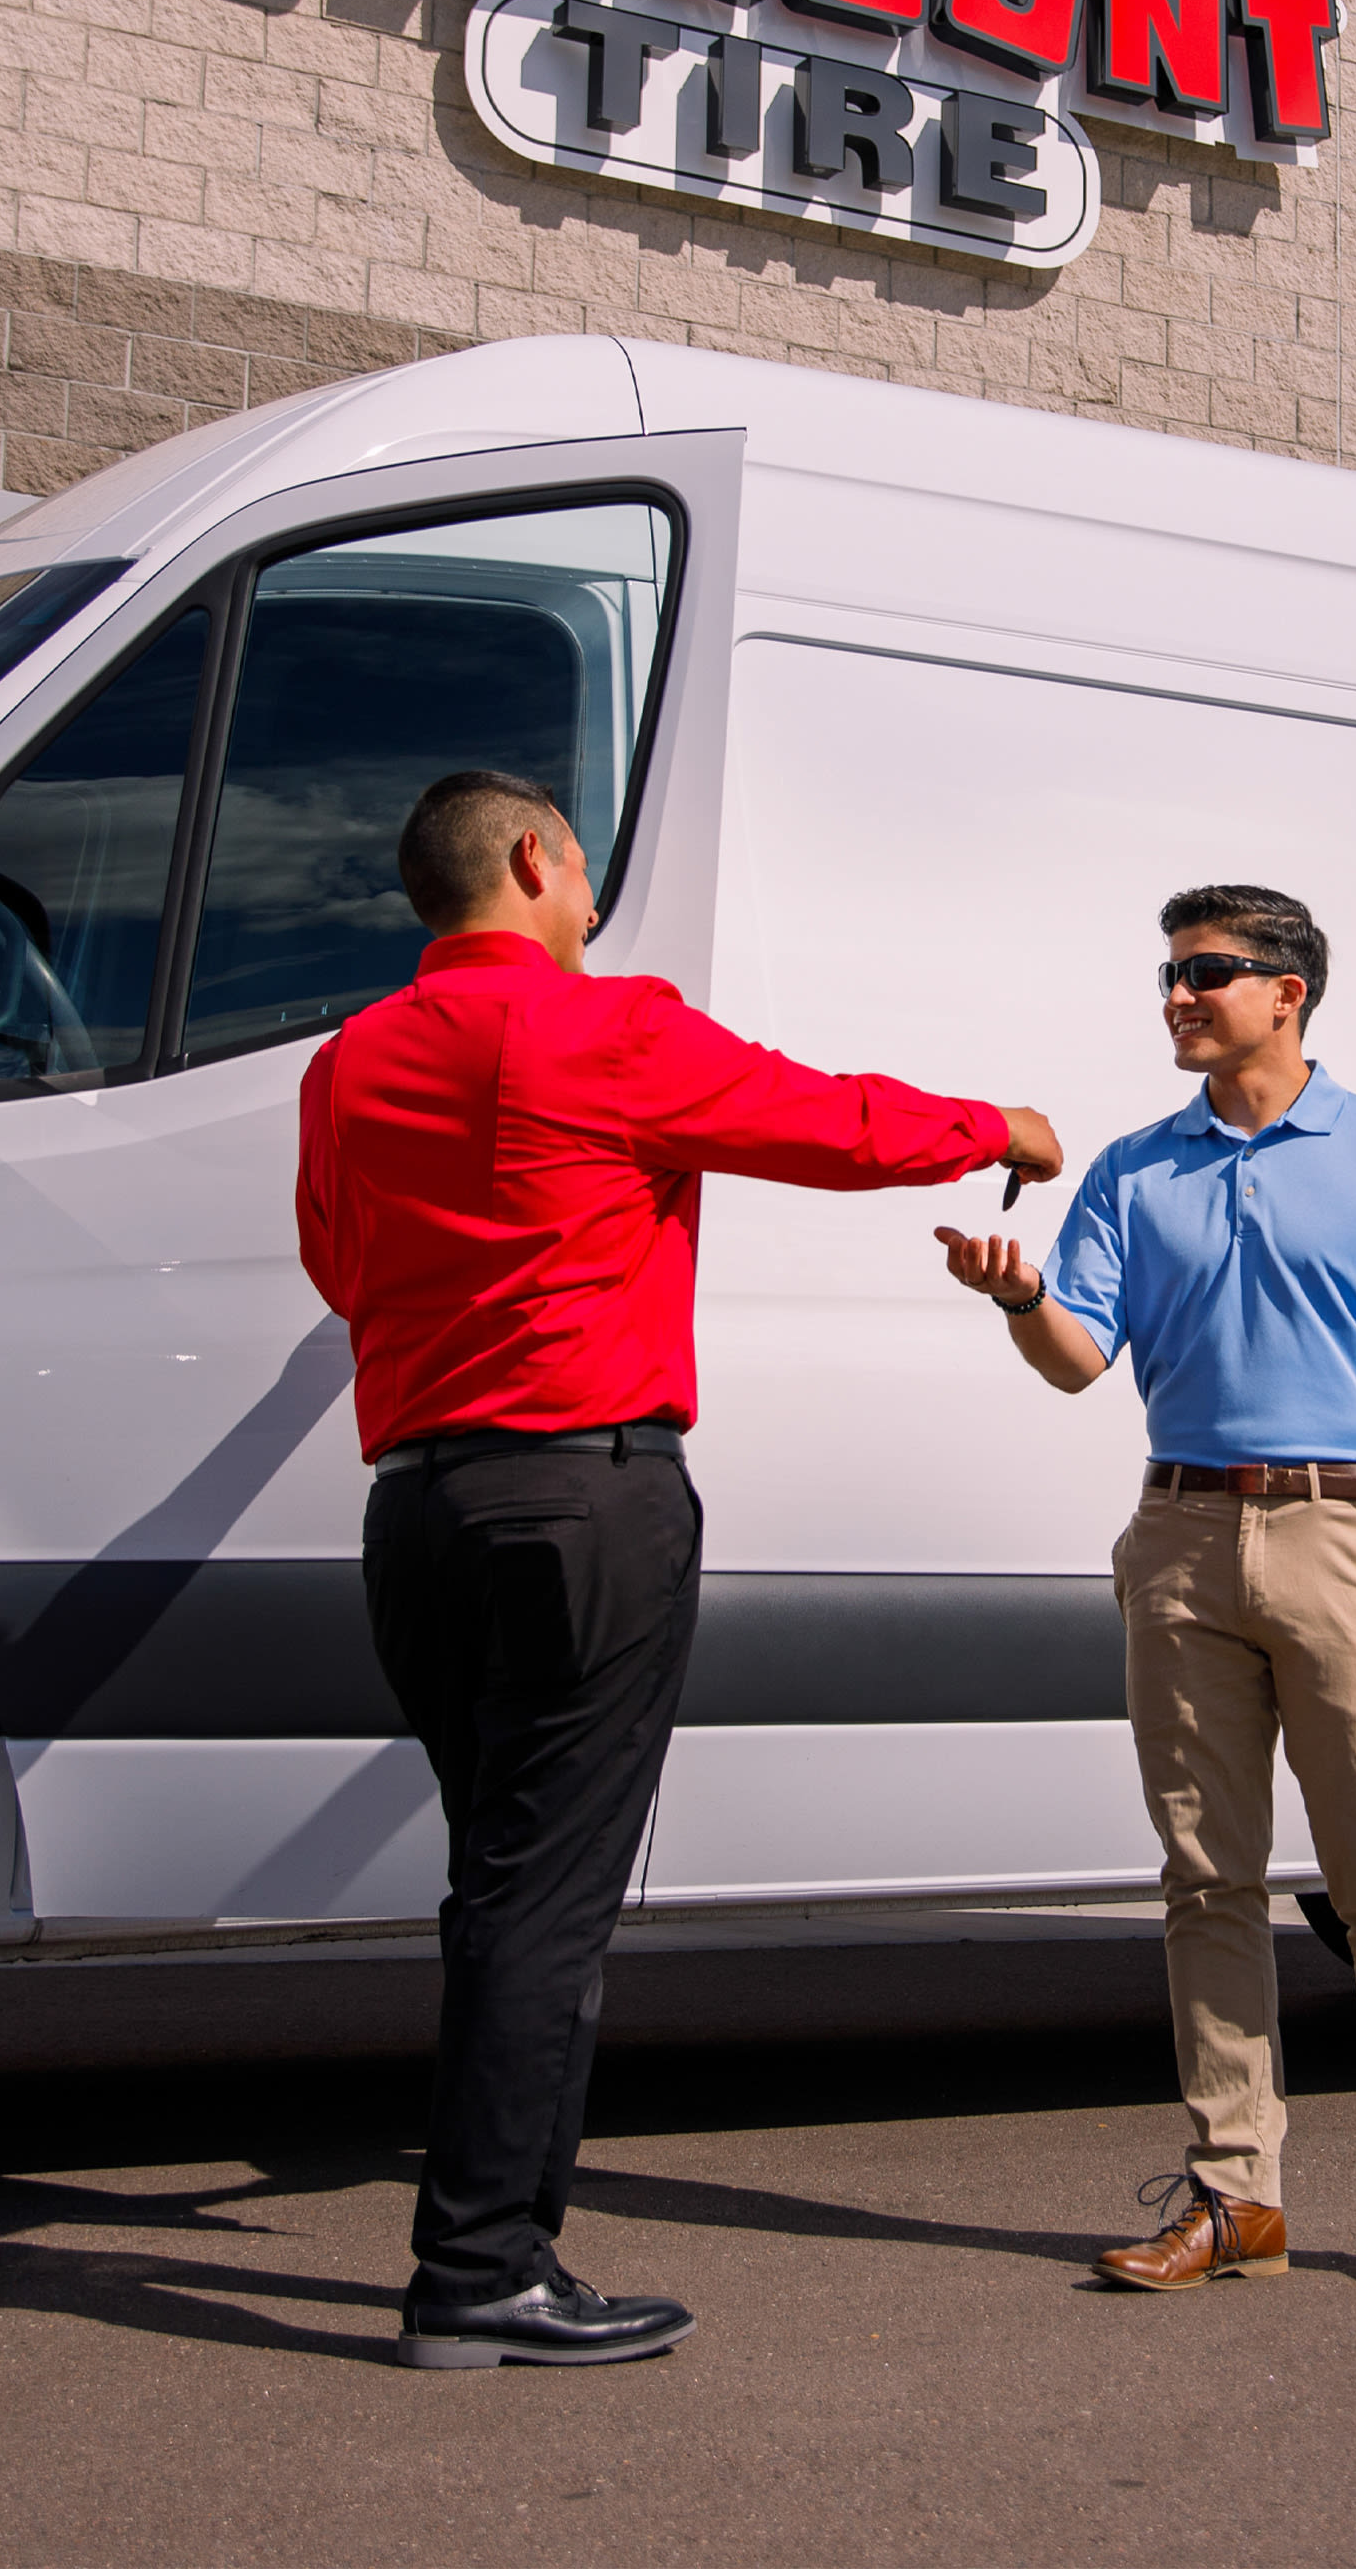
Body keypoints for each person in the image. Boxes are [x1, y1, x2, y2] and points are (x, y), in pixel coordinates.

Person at [298, 768, 1061, 2370]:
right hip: (584, 1500)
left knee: (501, 1881)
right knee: (543, 1897)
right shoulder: (608, 1026)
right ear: (531, 859)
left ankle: (510, 2238)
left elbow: (338, 1265)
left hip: (416, 1514)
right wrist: (999, 1127)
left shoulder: (348, 1061)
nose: (592, 895)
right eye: (581, 866)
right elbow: (827, 1122)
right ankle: (479, 2273)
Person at [935, 883, 1356, 2298]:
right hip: (1180, 1536)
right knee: (1206, 1883)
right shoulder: (1136, 1170)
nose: (1178, 995)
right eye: (1172, 975)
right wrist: (1018, 1300)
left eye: (1207, 973)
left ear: (1288, 993)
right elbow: (1082, 1361)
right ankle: (1235, 2191)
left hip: (1344, 1534)